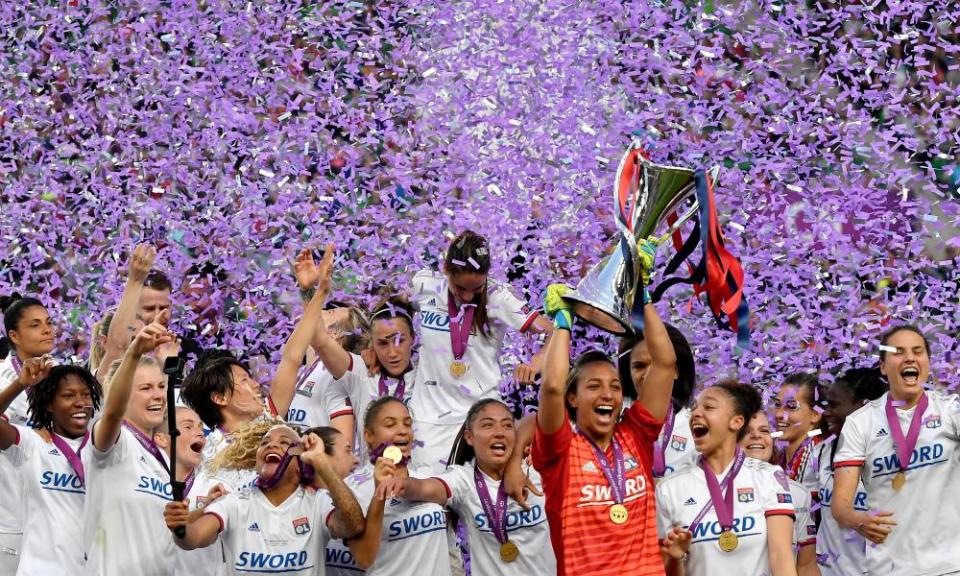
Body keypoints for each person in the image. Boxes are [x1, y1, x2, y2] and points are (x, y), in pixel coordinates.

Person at [530, 250, 677, 576]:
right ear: (573, 399)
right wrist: (562, 322)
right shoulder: (559, 451)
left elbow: (665, 364)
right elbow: (551, 386)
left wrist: (643, 296)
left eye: (614, 385)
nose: (608, 393)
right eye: (594, 386)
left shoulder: (635, 435)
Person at [181, 245, 335, 489]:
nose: (255, 384)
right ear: (219, 397)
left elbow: (292, 357)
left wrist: (315, 293)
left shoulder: (270, 422)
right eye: (243, 380)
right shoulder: (206, 452)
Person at [409, 230, 553, 473]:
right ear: (446, 269)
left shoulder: (499, 297)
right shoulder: (424, 284)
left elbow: (552, 331)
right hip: (429, 421)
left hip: (482, 419)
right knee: (432, 503)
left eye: (476, 289)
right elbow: (392, 310)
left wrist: (537, 360)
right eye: (460, 287)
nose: (467, 296)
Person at [832, 325, 960, 575]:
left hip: (950, 565)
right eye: (898, 352)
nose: (910, 358)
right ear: (883, 366)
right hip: (888, 569)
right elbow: (840, 505)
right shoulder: (861, 422)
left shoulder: (950, 411)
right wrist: (858, 520)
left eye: (918, 351)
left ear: (928, 362)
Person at [377, 399, 556, 575]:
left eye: (507, 425)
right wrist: (403, 484)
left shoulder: (537, 470)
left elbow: (544, 414)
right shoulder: (463, 480)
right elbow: (426, 487)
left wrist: (516, 460)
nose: (499, 432)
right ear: (469, 437)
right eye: (488, 425)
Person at [164, 425, 365, 576]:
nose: (272, 444)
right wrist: (180, 528)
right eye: (265, 443)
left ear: (301, 464)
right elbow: (193, 539)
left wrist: (320, 460)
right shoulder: (235, 503)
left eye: (285, 443)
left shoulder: (317, 503)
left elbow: (353, 526)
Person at [657, 381, 797, 576]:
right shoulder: (669, 488)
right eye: (695, 408)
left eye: (709, 407)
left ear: (736, 422)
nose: (696, 413)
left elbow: (781, 559)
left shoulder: (768, 477)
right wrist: (675, 558)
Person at [81, 315, 178, 575]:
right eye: (145, 388)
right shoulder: (114, 443)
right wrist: (133, 353)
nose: (157, 394)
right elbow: (112, 412)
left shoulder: (166, 461)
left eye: (160, 386)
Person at [311, 254, 417, 463]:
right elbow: (319, 339)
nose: (393, 353)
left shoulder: (427, 375)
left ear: (413, 339)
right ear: (372, 343)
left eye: (399, 341)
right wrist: (312, 293)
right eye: (383, 344)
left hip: (417, 486)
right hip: (369, 485)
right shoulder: (360, 371)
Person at [0, 362, 97, 576]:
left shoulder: (106, 450)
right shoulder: (31, 443)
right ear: (49, 404)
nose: (80, 402)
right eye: (68, 395)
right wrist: (20, 384)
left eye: (86, 395)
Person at [345, 396, 452, 576]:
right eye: (390, 425)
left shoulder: (428, 475)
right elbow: (363, 558)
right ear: (368, 435)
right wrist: (379, 493)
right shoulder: (353, 487)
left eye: (407, 424)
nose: (403, 431)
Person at [0, 295, 56, 573]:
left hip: (56, 520)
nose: (47, 330)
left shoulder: (62, 378)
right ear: (14, 335)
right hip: (11, 523)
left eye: (48, 322)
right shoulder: (0, 378)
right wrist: (20, 385)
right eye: (35, 325)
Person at [815, 367, 886, 576]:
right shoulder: (821, 452)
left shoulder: (895, 457)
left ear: (863, 406)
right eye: (826, 404)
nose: (826, 412)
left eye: (834, 405)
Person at [740, 409, 819, 576]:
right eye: (746, 431)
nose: (756, 436)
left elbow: (806, 566)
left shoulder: (798, 494)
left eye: (764, 430)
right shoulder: (708, 491)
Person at [153, 406, 226, 576]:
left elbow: (208, 537)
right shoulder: (146, 482)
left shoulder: (215, 486)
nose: (200, 433)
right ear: (162, 439)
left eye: (201, 427)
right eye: (188, 427)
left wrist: (207, 510)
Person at [618, 323, 697, 478]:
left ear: (675, 371)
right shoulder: (612, 420)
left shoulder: (696, 426)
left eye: (656, 365)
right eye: (639, 366)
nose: (648, 375)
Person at [303, 426, 362, 576]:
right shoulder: (297, 502)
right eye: (348, 450)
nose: (356, 460)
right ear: (321, 452)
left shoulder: (364, 496)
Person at [772, 373, 824, 497]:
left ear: (815, 414)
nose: (779, 414)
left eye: (791, 406)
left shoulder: (821, 456)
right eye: (777, 405)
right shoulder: (776, 456)